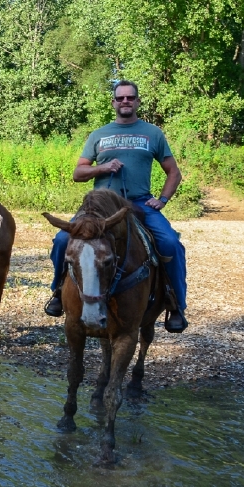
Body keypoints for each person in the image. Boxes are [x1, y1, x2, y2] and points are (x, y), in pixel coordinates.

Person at [45, 80, 188, 332]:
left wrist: (162, 200)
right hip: (99, 206)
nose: (125, 101)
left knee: (170, 244)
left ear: (137, 101)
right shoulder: (99, 134)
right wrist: (102, 167)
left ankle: (176, 304)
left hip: (139, 202)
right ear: (113, 102)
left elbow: (173, 173)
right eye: (120, 98)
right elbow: (78, 173)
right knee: (60, 241)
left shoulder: (152, 133)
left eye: (130, 98)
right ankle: (57, 291)